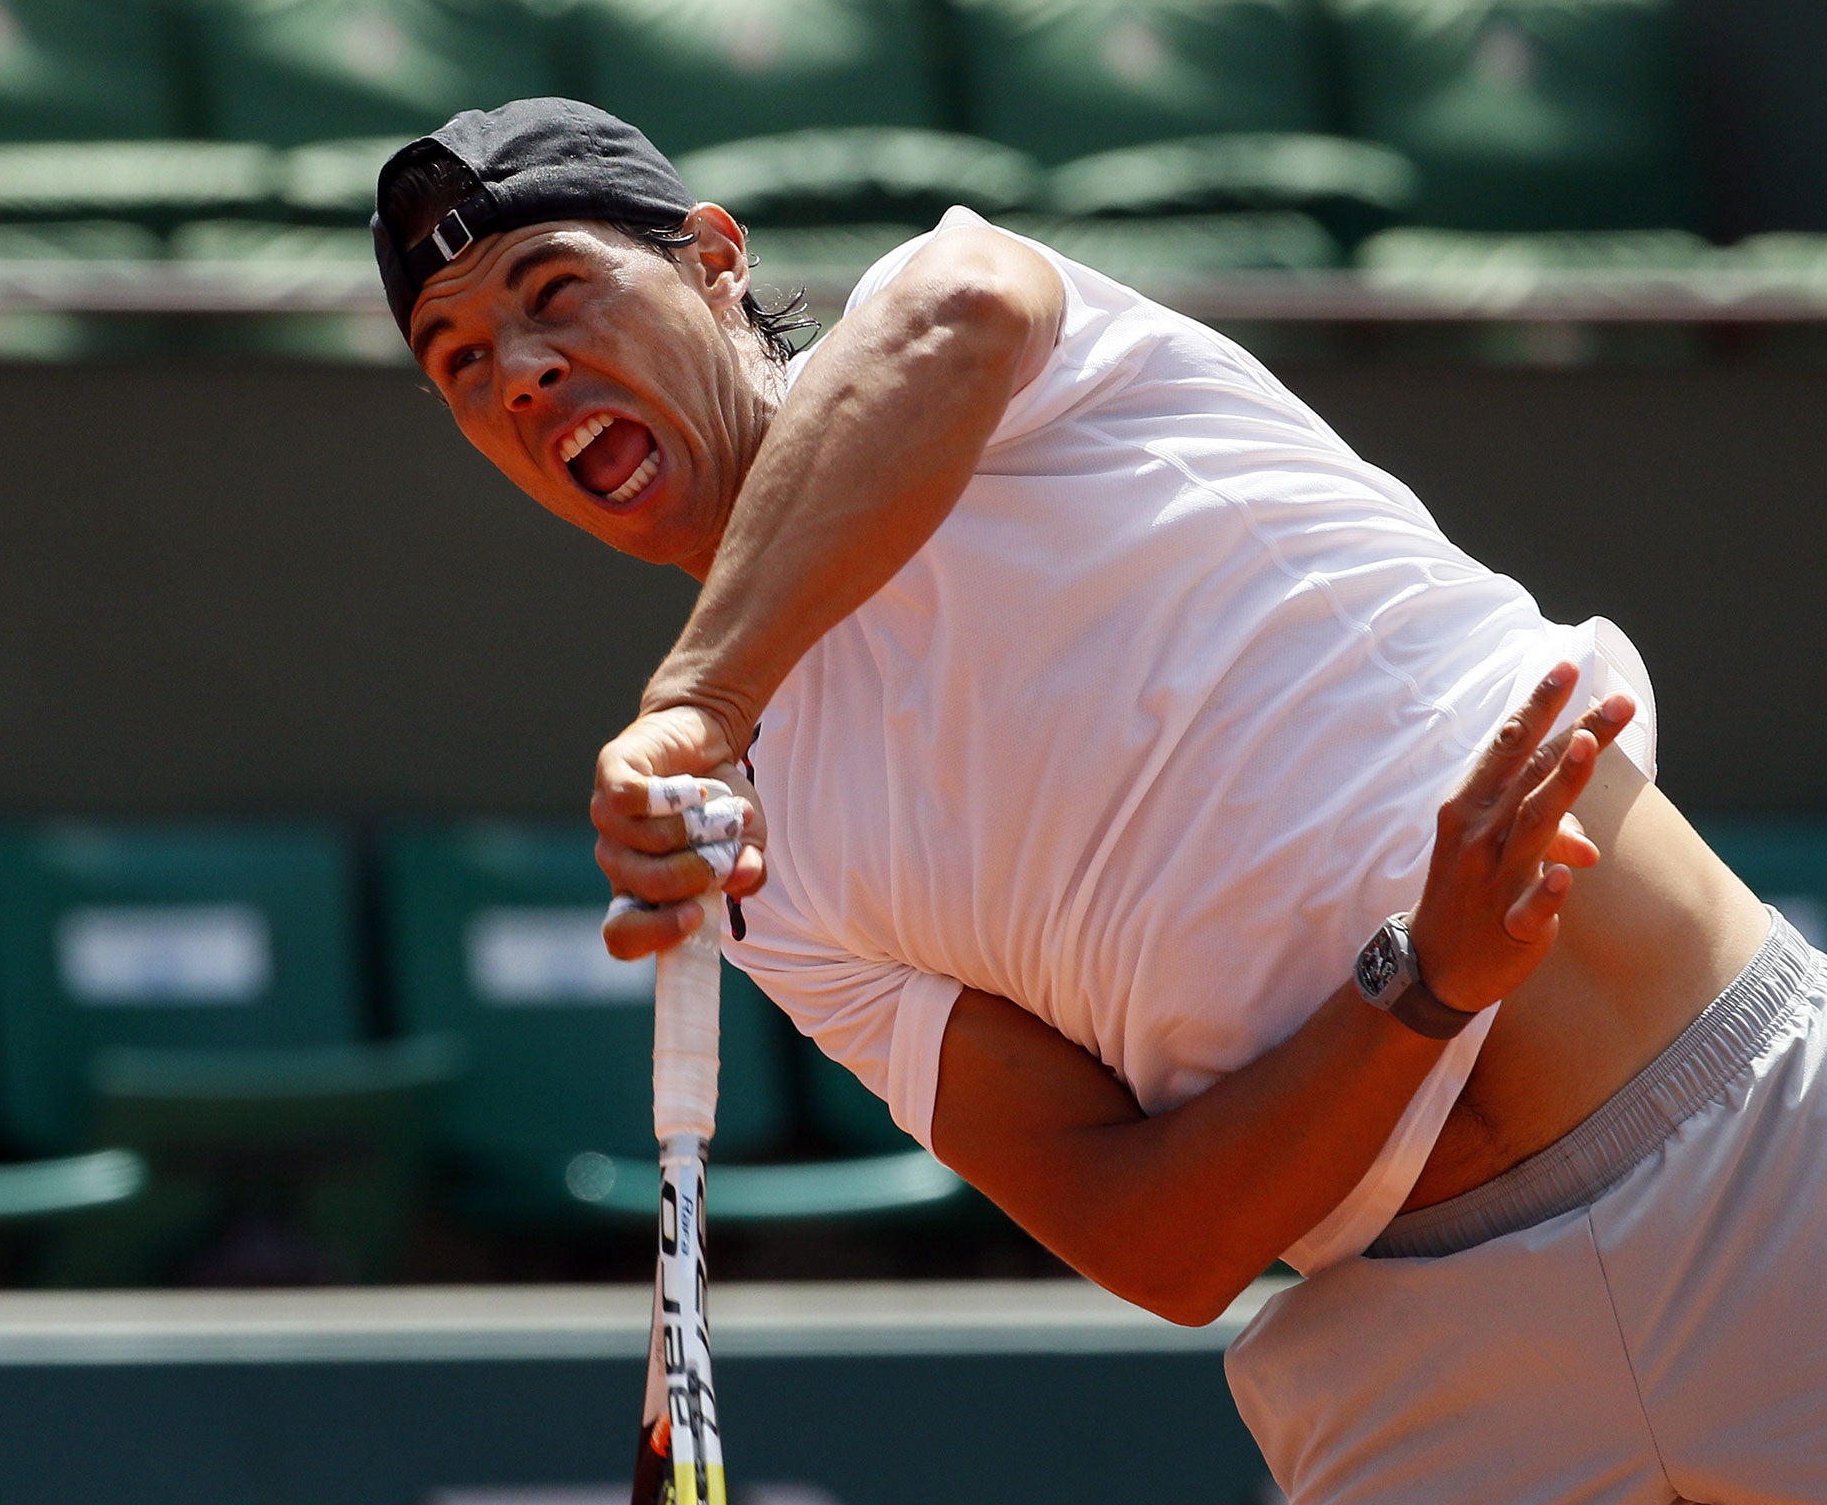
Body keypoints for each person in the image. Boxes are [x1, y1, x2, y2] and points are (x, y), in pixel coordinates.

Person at [372, 98, 1823, 1503]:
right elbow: (1162, 1248)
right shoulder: (758, 858)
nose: (519, 371)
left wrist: (698, 699)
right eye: (461, 364)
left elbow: (957, 312)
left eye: (555, 292)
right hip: (1427, 1361)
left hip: (1763, 1156)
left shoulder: (976, 330)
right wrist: (1418, 988)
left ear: (715, 256)